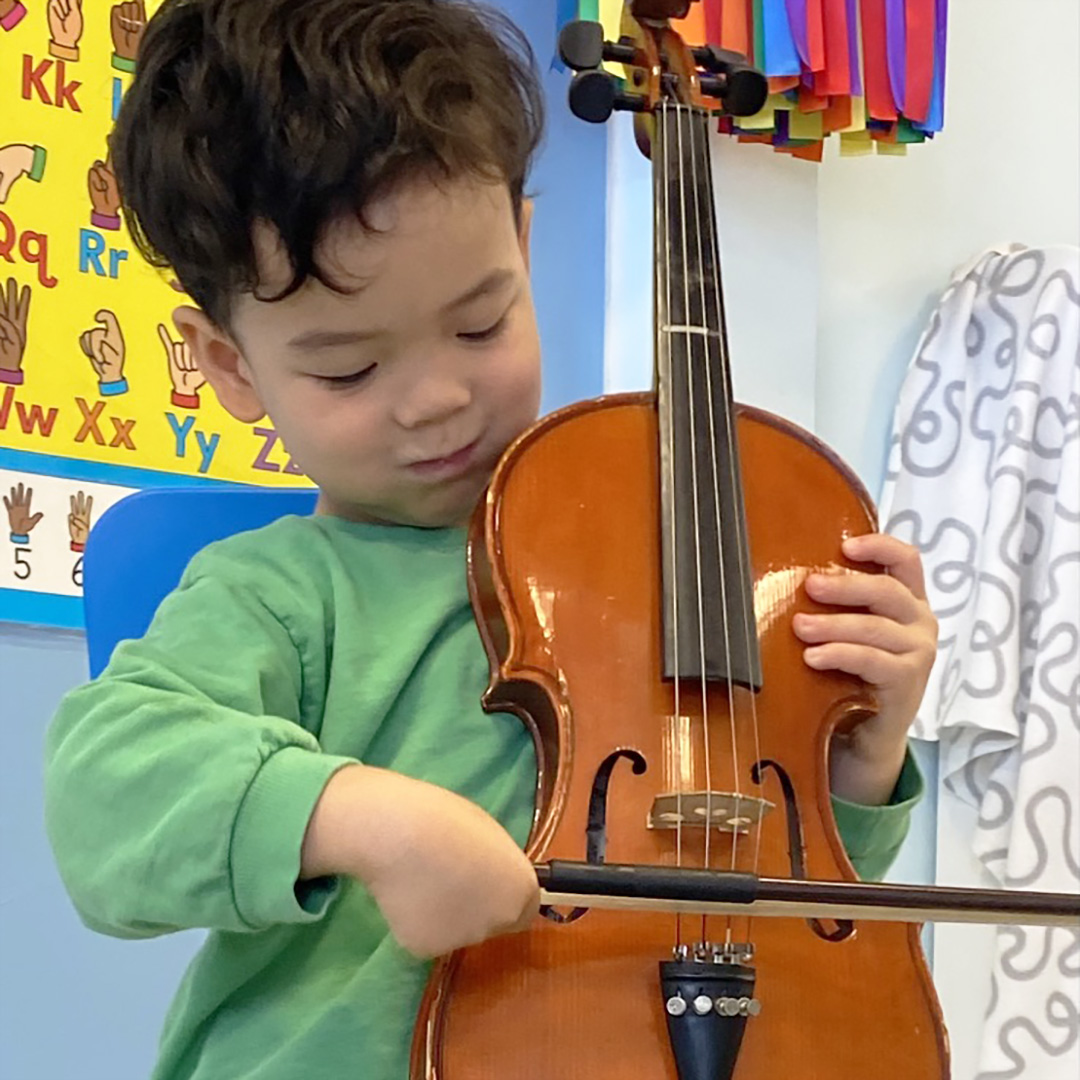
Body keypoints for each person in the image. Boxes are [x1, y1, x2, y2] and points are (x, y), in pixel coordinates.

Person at [43, 1, 938, 1077]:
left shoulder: (656, 554)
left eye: (480, 323)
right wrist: (356, 815)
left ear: (520, 239)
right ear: (229, 366)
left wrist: (858, 755)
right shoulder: (278, 594)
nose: (436, 399)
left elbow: (770, 887)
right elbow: (105, 795)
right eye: (349, 368)